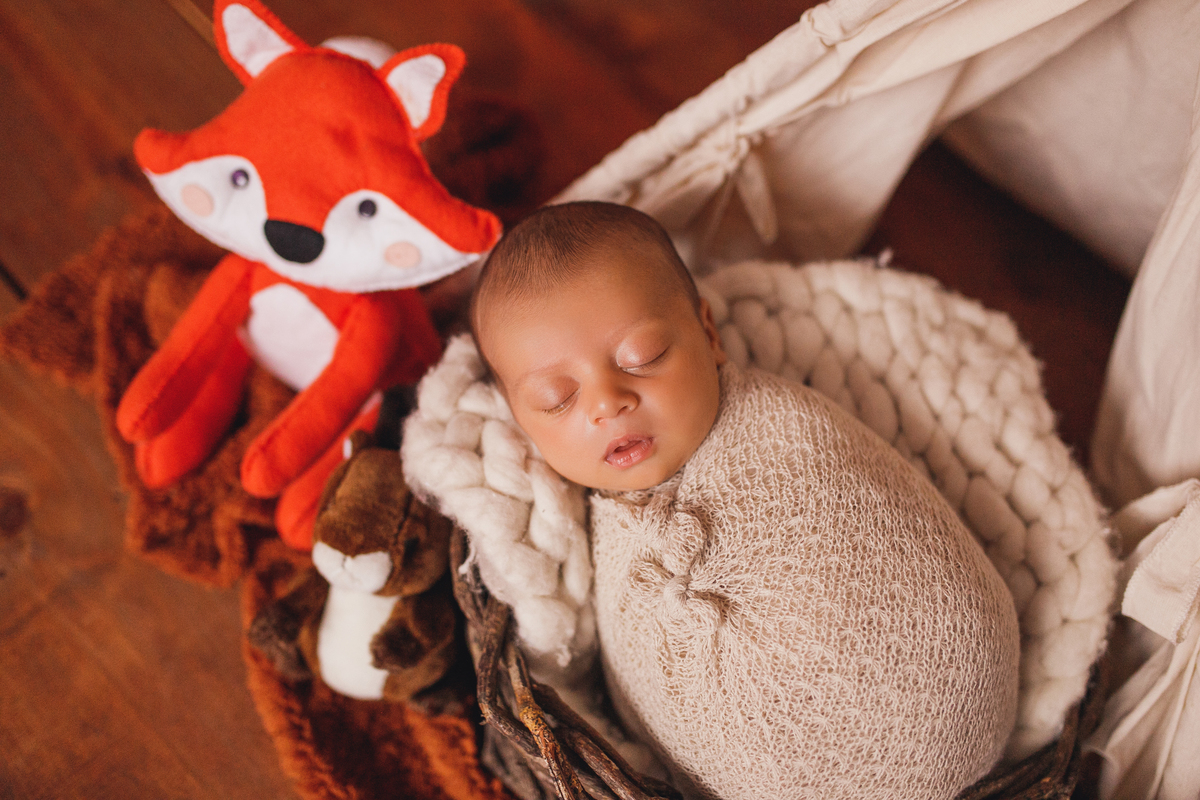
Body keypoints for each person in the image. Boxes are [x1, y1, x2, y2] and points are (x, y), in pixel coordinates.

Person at [470, 201, 1021, 800]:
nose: (608, 402)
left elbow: (864, 514)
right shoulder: (583, 527)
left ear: (709, 335)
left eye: (644, 357)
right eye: (557, 399)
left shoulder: (780, 426)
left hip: (963, 680)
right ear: (521, 423)